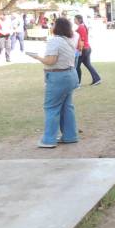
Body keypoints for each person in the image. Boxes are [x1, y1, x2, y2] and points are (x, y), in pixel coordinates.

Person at [26, 17, 79, 148]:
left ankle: (49, 139)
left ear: (57, 27)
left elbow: (51, 61)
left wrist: (37, 57)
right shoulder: (70, 39)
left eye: (53, 24)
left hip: (58, 77)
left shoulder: (54, 41)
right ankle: (70, 135)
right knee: (67, 107)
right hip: (71, 74)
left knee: (51, 107)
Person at [74, 15, 102, 86]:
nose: (74, 20)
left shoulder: (81, 27)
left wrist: (80, 50)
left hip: (83, 49)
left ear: (78, 20)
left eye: (75, 19)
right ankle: (97, 79)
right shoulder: (83, 26)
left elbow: (82, 39)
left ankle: (77, 83)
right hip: (86, 48)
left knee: (77, 66)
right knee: (87, 64)